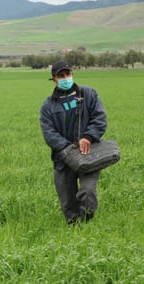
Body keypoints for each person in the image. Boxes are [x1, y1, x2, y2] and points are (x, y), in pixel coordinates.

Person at [39, 61, 107, 224]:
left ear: (72, 74)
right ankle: (75, 228)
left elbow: (99, 119)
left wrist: (88, 137)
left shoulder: (89, 94)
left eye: (67, 74)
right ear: (54, 79)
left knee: (88, 191)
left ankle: (87, 222)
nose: (65, 78)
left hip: (88, 153)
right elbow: (49, 132)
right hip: (63, 158)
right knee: (68, 203)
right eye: (61, 76)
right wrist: (67, 148)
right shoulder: (48, 105)